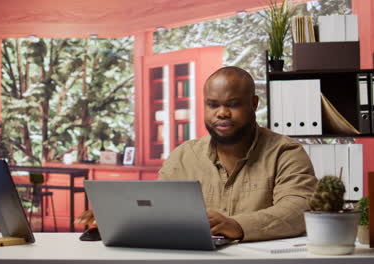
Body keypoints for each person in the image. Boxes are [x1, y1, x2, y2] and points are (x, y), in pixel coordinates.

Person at [77, 66, 317, 241]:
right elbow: (158, 208)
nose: (222, 113)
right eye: (213, 104)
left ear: (253, 104)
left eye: (233, 104)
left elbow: (299, 209)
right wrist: (118, 217)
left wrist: (236, 225)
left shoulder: (285, 152)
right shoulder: (183, 156)